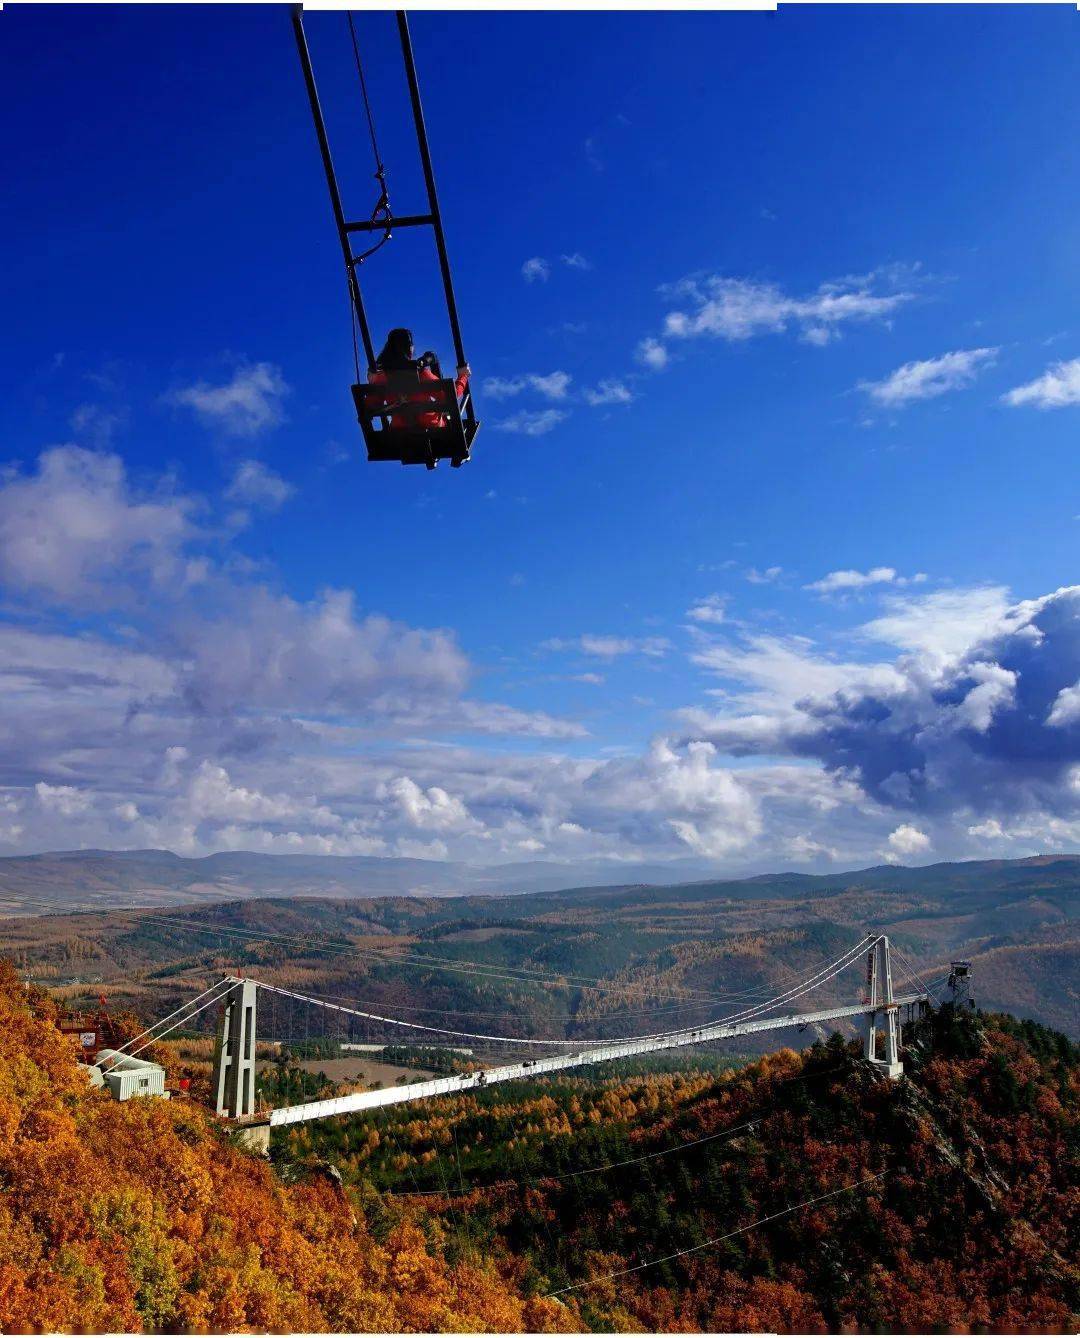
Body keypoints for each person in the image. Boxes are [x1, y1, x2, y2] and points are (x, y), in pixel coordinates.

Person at [366, 328, 470, 432]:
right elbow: (451, 395)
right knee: (446, 407)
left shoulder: (382, 377)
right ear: (409, 349)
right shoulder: (421, 373)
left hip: (399, 431)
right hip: (431, 430)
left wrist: (372, 382)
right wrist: (463, 375)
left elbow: (370, 405)